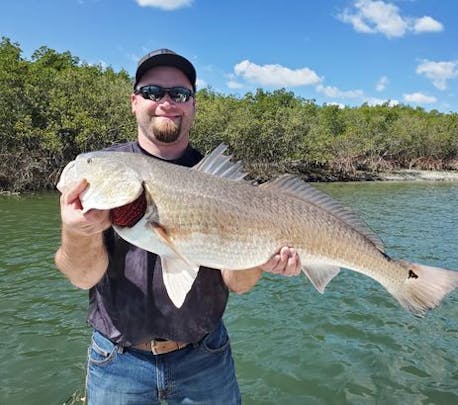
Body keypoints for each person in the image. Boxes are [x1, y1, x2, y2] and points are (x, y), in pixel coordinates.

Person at [55, 48, 301, 404]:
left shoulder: (226, 186)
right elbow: (81, 277)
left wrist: (263, 256)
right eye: (153, 92)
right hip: (117, 362)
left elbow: (239, 283)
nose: (165, 102)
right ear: (134, 102)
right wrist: (79, 231)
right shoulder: (107, 169)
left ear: (193, 105)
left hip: (206, 360)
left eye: (179, 94)